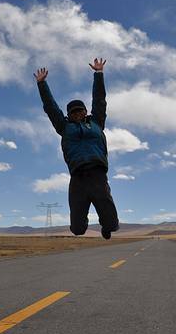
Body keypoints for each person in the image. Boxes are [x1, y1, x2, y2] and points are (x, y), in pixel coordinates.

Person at [34, 58, 119, 239]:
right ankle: (83, 222)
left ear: (86, 111)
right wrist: (42, 84)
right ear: (69, 115)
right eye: (74, 112)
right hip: (78, 178)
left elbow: (100, 100)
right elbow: (51, 107)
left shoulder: (96, 123)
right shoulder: (64, 127)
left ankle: (105, 226)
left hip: (97, 175)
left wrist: (99, 74)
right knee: (77, 230)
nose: (78, 113)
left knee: (113, 224)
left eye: (81, 110)